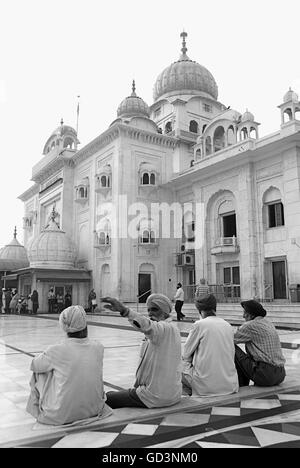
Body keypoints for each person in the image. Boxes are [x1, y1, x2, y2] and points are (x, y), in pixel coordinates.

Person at [26, 305, 107, 425]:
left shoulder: (56, 350)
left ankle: (41, 410)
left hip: (61, 415)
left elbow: (34, 364)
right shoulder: (99, 347)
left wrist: (47, 354)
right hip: (95, 409)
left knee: (39, 372)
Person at [102, 294, 182, 409]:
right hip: (171, 394)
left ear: (165, 312)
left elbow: (147, 326)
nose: (150, 313)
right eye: (148, 310)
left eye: (154, 309)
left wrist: (125, 311)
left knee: (106, 398)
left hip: (154, 395)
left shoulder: (165, 328)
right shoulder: (168, 329)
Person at [182, 294, 238, 397]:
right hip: (230, 385)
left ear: (200, 311)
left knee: (179, 363)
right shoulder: (227, 325)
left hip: (206, 387)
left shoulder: (199, 325)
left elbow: (185, 353)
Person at [234, 300, 286, 387]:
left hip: (266, 375)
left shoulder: (250, 325)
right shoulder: (269, 323)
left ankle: (242, 385)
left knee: (232, 347)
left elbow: (229, 339)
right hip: (280, 374)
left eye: (245, 313)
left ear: (252, 315)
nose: (243, 316)